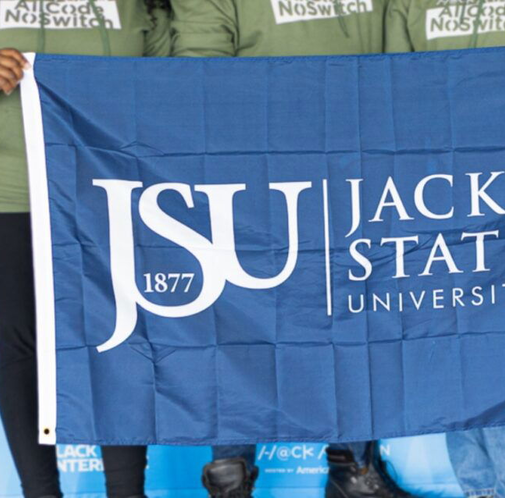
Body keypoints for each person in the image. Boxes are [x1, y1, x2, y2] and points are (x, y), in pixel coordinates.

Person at [171, 2, 416, 497]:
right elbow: (198, 73)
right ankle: (230, 474)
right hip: (252, 170)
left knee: (354, 312)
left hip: (355, 164)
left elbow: (399, 53)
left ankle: (353, 468)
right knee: (241, 321)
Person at [0, 1, 171, 497]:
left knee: (117, 337)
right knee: (22, 342)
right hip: (2, 187)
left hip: (108, 185)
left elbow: (171, 83)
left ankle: (126, 492)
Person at [383, 2, 505, 497]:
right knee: (449, 343)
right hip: (434, 192)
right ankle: (477, 489)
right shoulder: (406, 4)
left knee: (502, 346)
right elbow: (393, 88)